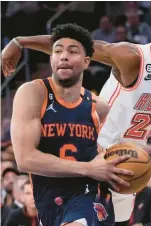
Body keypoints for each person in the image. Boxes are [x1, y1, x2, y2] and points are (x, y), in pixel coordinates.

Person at [1, 8, 151, 225]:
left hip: (131, 151)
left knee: (118, 220)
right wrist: (21, 42)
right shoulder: (132, 58)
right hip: (95, 144)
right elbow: (75, 46)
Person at [4, 24, 134, 226]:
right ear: (51, 59)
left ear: (86, 61)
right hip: (48, 202)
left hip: (89, 197)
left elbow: (105, 152)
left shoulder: (100, 107)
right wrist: (88, 168)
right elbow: (25, 159)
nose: (63, 56)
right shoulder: (33, 93)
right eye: (57, 51)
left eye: (72, 51)